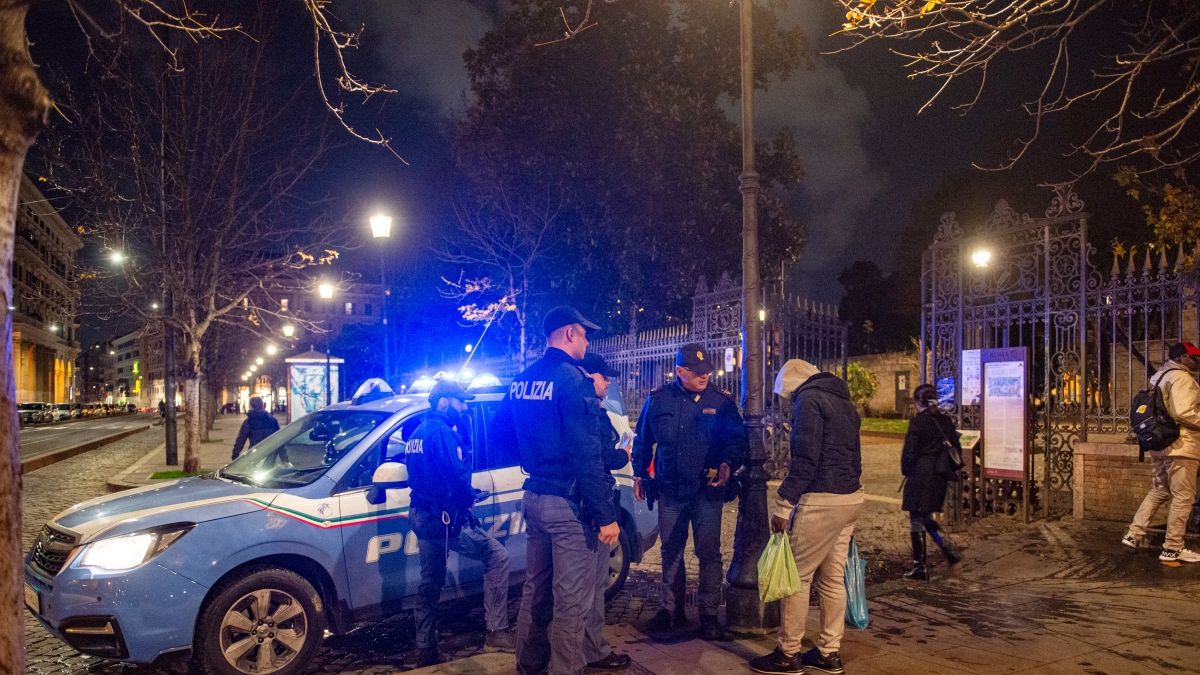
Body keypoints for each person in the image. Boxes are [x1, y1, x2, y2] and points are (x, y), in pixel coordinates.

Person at [489, 306, 620, 675]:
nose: (587, 341)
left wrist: (537, 454)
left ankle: (528, 665)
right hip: (567, 503)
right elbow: (587, 455)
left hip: (534, 496)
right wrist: (606, 516)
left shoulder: (522, 379)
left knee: (535, 591)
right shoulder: (572, 380)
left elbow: (499, 435)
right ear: (568, 335)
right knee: (571, 602)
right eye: (583, 334)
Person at [749, 359, 864, 675]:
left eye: (787, 396)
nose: (788, 403)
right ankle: (829, 652)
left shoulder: (808, 399)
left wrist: (784, 504)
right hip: (851, 497)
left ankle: (787, 655)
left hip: (822, 499)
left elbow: (804, 458)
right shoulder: (843, 400)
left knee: (795, 577)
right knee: (831, 578)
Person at [632, 343, 746, 641]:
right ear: (679, 371)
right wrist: (639, 475)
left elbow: (737, 441)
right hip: (670, 490)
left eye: (706, 370)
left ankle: (709, 615)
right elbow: (643, 441)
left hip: (707, 492)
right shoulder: (657, 401)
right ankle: (670, 610)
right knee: (670, 551)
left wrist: (727, 463)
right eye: (696, 372)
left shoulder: (721, 402)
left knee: (708, 554)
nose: (704, 375)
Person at [406, 379, 513, 666]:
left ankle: (425, 648)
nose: (464, 407)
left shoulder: (416, 433)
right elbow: (456, 477)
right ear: (444, 402)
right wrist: (467, 499)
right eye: (460, 401)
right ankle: (496, 631)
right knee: (498, 557)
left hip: (422, 514)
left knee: (430, 583)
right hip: (445, 518)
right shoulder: (442, 434)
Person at [577, 353, 633, 672]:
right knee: (592, 585)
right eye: (604, 376)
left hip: (577, 503)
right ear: (589, 375)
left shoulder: (591, 407)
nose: (609, 382)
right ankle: (592, 651)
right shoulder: (588, 411)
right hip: (590, 507)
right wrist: (622, 454)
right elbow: (597, 462)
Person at [1124, 341, 1200, 563]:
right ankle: (1172, 548)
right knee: (1183, 496)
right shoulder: (1182, 378)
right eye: (1192, 357)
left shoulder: (1158, 377)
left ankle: (1133, 534)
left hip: (1159, 444)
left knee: (1159, 490)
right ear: (1179, 358)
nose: (1196, 361)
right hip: (1181, 445)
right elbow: (1184, 412)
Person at [900, 384, 964, 581]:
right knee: (927, 517)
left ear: (919, 402)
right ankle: (948, 551)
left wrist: (907, 470)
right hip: (938, 476)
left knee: (917, 519)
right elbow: (957, 450)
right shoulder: (945, 421)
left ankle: (921, 566)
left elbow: (909, 453)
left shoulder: (918, 423)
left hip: (920, 475)